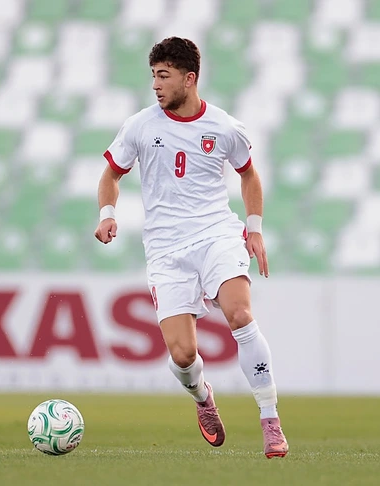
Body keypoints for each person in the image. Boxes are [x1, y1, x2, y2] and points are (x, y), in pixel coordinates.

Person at [94, 37, 288, 458]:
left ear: (189, 78)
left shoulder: (224, 127)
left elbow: (249, 175)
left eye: (164, 76)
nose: (156, 85)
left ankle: (270, 419)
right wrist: (107, 213)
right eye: (153, 76)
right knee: (183, 355)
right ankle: (203, 398)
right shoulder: (140, 126)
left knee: (240, 314)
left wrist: (254, 228)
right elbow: (111, 175)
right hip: (166, 249)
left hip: (217, 234)